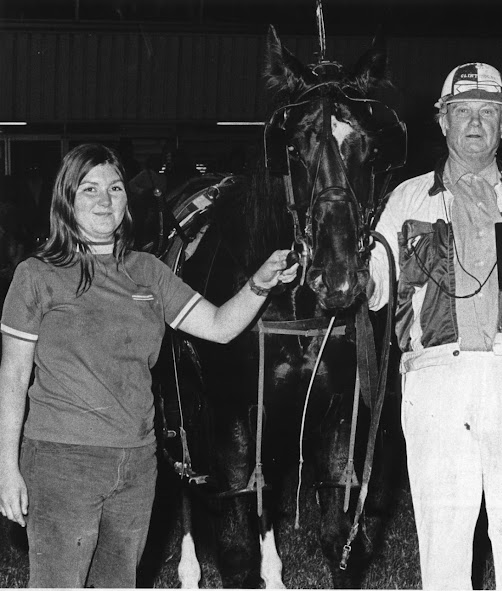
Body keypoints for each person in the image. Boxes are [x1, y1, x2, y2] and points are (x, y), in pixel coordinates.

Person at [0, 143, 297, 588]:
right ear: (66, 200)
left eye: (115, 188)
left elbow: (218, 326)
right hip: (62, 461)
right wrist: (7, 469)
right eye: (90, 189)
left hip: (136, 465)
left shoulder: (148, 271)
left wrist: (259, 283)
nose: (105, 200)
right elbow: (12, 377)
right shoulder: (36, 275)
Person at [369, 62, 502, 589]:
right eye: (462, 112)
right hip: (436, 379)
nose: (475, 123)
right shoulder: (406, 198)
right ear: (442, 121)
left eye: (488, 112)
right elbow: (372, 288)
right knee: (443, 527)